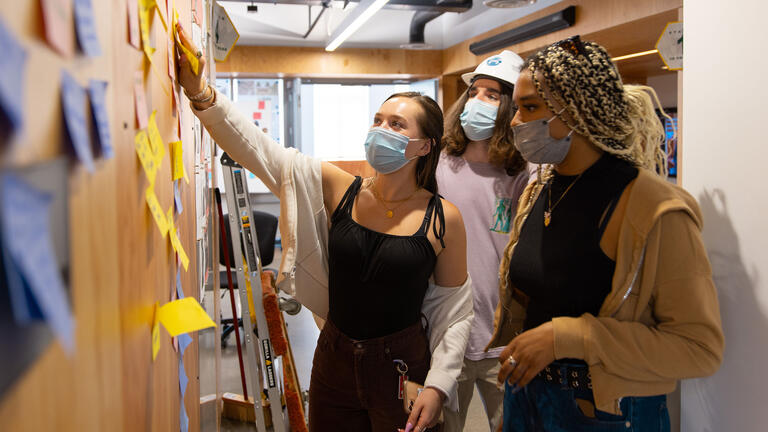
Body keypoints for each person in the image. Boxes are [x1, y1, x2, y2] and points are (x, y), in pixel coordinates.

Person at [175, 24, 474, 432]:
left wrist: (438, 386)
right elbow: (261, 151)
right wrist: (201, 93)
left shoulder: (443, 218)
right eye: (378, 119)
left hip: (402, 369)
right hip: (333, 359)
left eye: (397, 125)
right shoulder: (340, 188)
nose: (380, 131)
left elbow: (454, 315)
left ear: (425, 146)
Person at [488, 36, 724, 431]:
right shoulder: (539, 191)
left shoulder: (654, 208)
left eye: (530, 108)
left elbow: (698, 349)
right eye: (516, 109)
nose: (515, 123)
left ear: (576, 111)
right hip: (528, 397)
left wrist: (571, 336)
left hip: (605, 412)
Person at [436, 50, 529, 432]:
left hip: (503, 339)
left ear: (511, 106)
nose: (478, 102)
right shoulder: (441, 163)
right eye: (475, 92)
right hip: (445, 333)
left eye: (493, 95)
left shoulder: (523, 170)